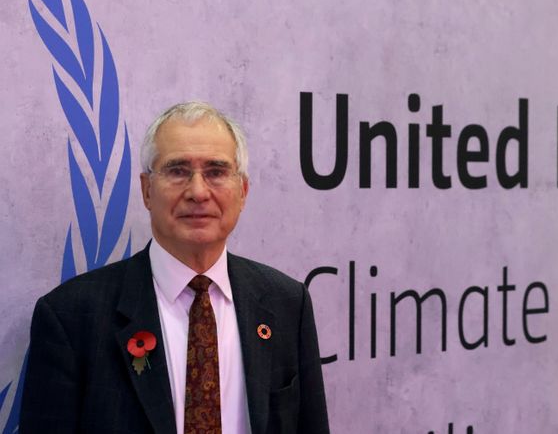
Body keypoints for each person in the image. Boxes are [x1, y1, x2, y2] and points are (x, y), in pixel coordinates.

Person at [20, 101, 329, 434]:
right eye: (178, 170)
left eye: (216, 171)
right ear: (146, 190)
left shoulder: (285, 303)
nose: (198, 191)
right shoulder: (71, 316)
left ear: (242, 191)